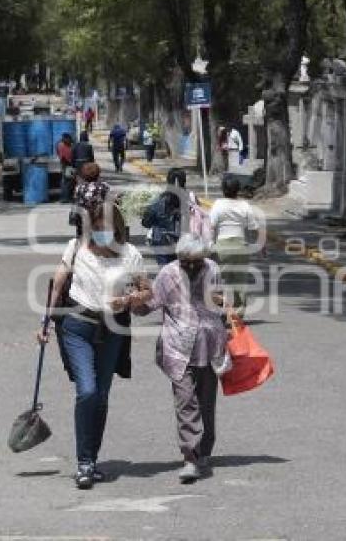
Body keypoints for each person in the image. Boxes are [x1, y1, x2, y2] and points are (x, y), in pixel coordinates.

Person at [39, 199, 149, 489]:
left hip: (112, 329)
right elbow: (58, 282)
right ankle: (84, 462)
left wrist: (130, 300)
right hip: (76, 326)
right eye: (96, 228)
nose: (101, 234)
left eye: (106, 229)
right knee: (87, 390)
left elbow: (145, 295)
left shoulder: (130, 255)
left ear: (119, 229)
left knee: (100, 396)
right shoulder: (77, 247)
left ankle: (89, 460)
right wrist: (46, 320)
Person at [131, 233, 232, 484]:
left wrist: (227, 318)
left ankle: (204, 449)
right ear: (178, 258)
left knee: (206, 402)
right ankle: (190, 457)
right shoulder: (168, 274)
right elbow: (149, 305)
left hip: (209, 347)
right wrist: (134, 299)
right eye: (185, 261)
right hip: (178, 348)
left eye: (196, 261)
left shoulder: (212, 269)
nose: (191, 267)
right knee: (186, 401)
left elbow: (221, 303)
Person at [209, 177, 266, 315]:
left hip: (222, 246)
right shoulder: (244, 205)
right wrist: (262, 245)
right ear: (238, 190)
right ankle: (238, 313)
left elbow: (211, 226)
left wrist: (210, 244)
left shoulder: (218, 205)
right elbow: (254, 227)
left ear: (223, 190)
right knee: (240, 280)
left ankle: (220, 310)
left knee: (220, 280)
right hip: (241, 246)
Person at [142, 169, 187, 266]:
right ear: (184, 182)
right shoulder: (191, 200)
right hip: (186, 243)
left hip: (162, 243)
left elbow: (146, 222)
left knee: (166, 274)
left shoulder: (158, 201)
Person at [69, 162, 111, 237]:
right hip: (100, 219)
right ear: (98, 174)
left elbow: (76, 201)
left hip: (83, 220)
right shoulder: (104, 186)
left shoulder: (79, 188)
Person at [57, 133, 75, 203]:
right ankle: (65, 197)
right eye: (69, 139)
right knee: (67, 182)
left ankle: (66, 197)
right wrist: (69, 162)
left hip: (68, 165)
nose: (70, 140)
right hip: (66, 165)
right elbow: (62, 157)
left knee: (68, 181)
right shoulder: (62, 145)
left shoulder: (68, 145)